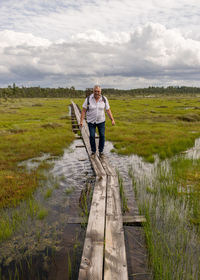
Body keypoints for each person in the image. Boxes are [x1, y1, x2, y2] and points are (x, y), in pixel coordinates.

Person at [80, 85, 115, 157]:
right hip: (91, 121)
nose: (97, 93)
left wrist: (112, 119)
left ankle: (101, 151)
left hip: (101, 121)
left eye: (98, 91)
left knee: (102, 136)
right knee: (92, 136)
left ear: (100, 91)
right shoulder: (88, 99)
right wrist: (81, 121)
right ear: (93, 91)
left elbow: (108, 110)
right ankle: (93, 151)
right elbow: (83, 110)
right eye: (95, 91)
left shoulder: (104, 99)